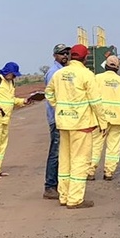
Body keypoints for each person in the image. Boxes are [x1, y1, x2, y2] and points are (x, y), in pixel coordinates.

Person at [46, 45, 108, 208]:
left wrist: (58, 107)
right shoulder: (87, 75)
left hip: (63, 123)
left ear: (71, 56)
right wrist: (103, 122)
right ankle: (75, 199)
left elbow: (49, 93)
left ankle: (64, 196)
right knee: (80, 161)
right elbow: (95, 101)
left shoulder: (59, 74)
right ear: (85, 58)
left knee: (65, 160)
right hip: (81, 124)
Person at [0, 62, 43, 180]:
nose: (15, 77)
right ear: (7, 72)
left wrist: (23, 101)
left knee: (1, 145)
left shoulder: (10, 82)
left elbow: (10, 100)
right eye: (13, 75)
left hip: (4, 118)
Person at [89, 55, 120, 181]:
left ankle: (90, 172)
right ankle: (109, 173)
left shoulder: (97, 79)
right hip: (118, 119)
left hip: (100, 119)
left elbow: (92, 98)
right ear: (117, 68)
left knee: (96, 145)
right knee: (113, 147)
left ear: (105, 66)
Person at [42, 44, 71, 199]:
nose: (65, 55)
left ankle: (59, 184)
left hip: (63, 118)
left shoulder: (62, 71)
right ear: (55, 56)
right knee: (56, 152)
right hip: (57, 119)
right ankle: (50, 186)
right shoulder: (54, 73)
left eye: (67, 53)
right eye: (61, 53)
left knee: (62, 153)